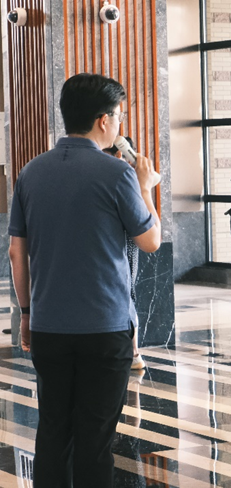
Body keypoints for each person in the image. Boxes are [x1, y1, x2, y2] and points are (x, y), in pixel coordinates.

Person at [8, 73, 161, 487]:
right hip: (104, 327)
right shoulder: (117, 173)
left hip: (48, 325)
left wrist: (27, 314)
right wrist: (146, 188)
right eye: (119, 116)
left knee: (53, 431)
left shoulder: (30, 172)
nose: (119, 124)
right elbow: (150, 241)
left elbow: (17, 253)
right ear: (103, 120)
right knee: (95, 440)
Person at [103, 137, 149, 371]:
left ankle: (133, 351)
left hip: (126, 244)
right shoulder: (123, 176)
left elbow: (149, 235)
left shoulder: (127, 176)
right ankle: (132, 351)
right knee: (126, 292)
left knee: (127, 292)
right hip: (118, 245)